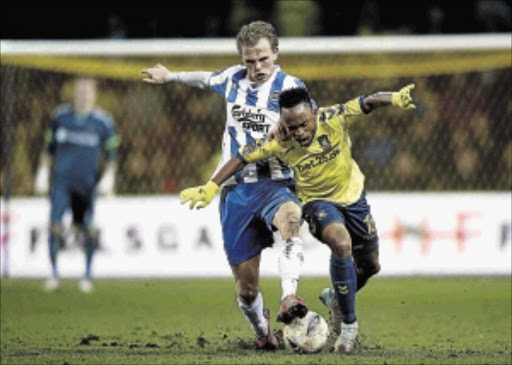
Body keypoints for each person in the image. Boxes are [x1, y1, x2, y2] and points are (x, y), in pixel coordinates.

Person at [179, 84, 416, 353]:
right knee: (341, 243)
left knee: (371, 265)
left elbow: (367, 102)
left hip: (354, 198)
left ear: (314, 113)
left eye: (304, 124)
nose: (299, 132)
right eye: (292, 127)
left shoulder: (334, 117)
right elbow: (241, 157)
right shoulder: (279, 142)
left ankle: (336, 300)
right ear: (283, 124)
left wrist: (394, 98)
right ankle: (349, 328)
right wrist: (211, 186)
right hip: (316, 203)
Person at [142, 21, 312, 350]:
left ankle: (289, 296)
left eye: (263, 59)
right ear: (242, 59)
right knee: (246, 289)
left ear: (275, 53)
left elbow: (311, 123)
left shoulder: (291, 87)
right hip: (235, 188)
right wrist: (171, 76)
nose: (257, 67)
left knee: (292, 219)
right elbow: (204, 79)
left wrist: (297, 134)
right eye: (250, 61)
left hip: (275, 182)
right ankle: (263, 332)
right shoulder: (232, 79)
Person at [34, 77, 120, 293]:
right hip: (62, 182)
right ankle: (54, 274)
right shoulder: (60, 117)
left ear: (94, 95)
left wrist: (109, 178)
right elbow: (48, 149)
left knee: (87, 228)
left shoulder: (103, 122)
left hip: (86, 185)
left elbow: (112, 156)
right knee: (54, 225)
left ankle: (87, 275)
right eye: (80, 91)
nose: (83, 95)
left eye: (87, 91)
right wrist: (43, 172)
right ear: (74, 93)